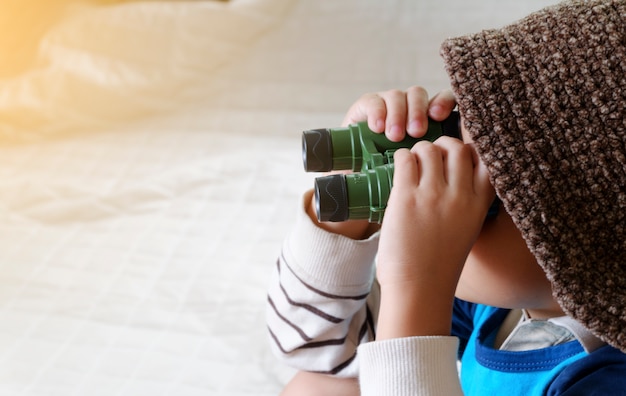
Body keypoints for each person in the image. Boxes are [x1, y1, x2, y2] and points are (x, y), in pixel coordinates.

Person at [266, 0, 626, 394]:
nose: (442, 178)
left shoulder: (602, 381)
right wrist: (348, 210)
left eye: (488, 200)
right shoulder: (500, 304)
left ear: (582, 257)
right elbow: (317, 351)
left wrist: (416, 284)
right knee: (316, 388)